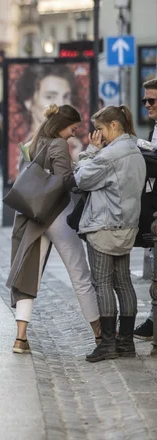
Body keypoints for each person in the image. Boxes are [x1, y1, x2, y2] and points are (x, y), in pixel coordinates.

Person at [7, 104, 100, 354]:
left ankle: (20, 338)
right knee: (79, 275)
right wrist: (85, 166)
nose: (74, 133)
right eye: (73, 128)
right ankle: (99, 334)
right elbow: (65, 181)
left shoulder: (33, 142)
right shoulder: (58, 144)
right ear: (61, 126)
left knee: (28, 276)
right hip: (57, 214)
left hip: (33, 216)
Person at [74, 105, 145, 363]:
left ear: (114, 125)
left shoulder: (109, 155)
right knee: (124, 283)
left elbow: (82, 179)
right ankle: (126, 343)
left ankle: (107, 345)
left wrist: (90, 152)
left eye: (101, 129)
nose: (99, 135)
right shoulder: (136, 150)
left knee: (102, 284)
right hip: (127, 226)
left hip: (104, 227)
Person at [134, 77, 157, 341]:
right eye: (145, 101)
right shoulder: (154, 128)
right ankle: (153, 320)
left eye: (152, 100)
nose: (147, 105)